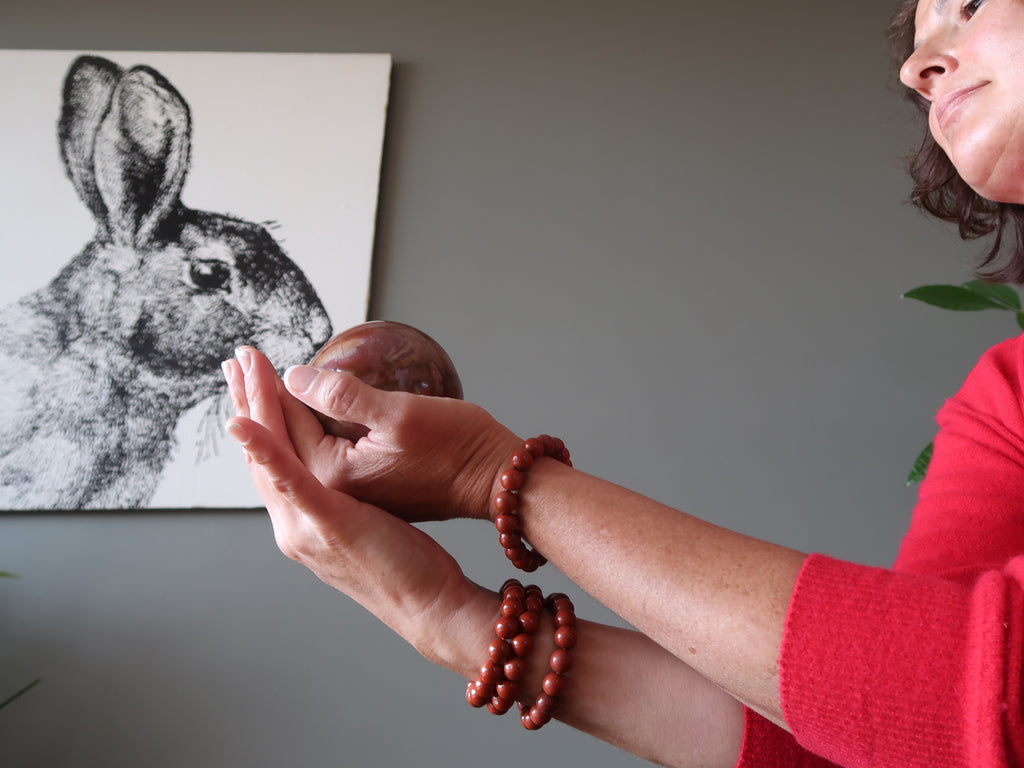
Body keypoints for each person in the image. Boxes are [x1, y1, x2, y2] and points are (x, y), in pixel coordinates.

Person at [221, 0, 1024, 764]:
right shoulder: (1005, 393)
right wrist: (442, 613)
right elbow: (883, 732)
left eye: (973, 4)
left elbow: (962, 699)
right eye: (919, 32)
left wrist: (497, 476)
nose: (916, 66)